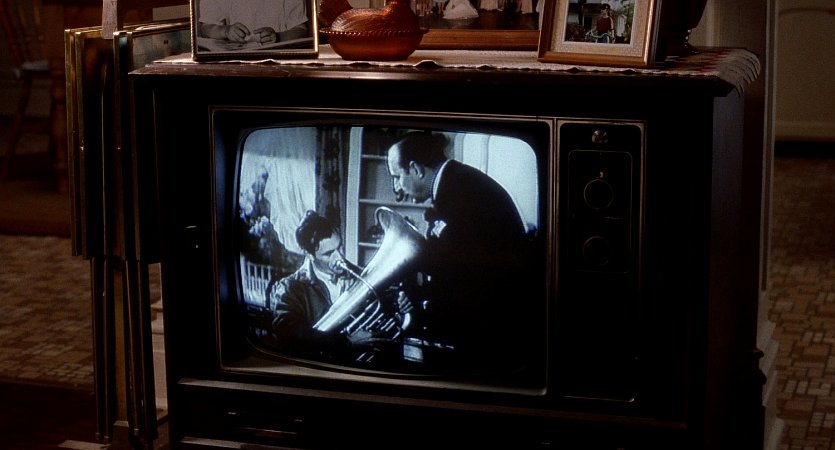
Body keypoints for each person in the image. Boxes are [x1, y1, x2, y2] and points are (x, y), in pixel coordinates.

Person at [386, 131, 532, 370]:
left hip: (491, 329)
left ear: (415, 169)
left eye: (396, 177)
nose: (397, 188)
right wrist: (412, 293)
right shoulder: (456, 183)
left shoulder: (458, 194)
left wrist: (420, 307)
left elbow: (458, 278)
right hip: (490, 313)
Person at [266, 210, 392, 360]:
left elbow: (381, 309)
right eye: (328, 253)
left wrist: (396, 304)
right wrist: (346, 342)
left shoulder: (359, 275)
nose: (339, 257)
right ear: (309, 255)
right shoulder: (289, 289)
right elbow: (288, 334)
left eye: (340, 247)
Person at [198, 0, 310, 45]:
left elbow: (301, 30)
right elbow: (206, 28)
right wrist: (225, 31)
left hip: (280, 61)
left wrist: (278, 37)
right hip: (234, 63)